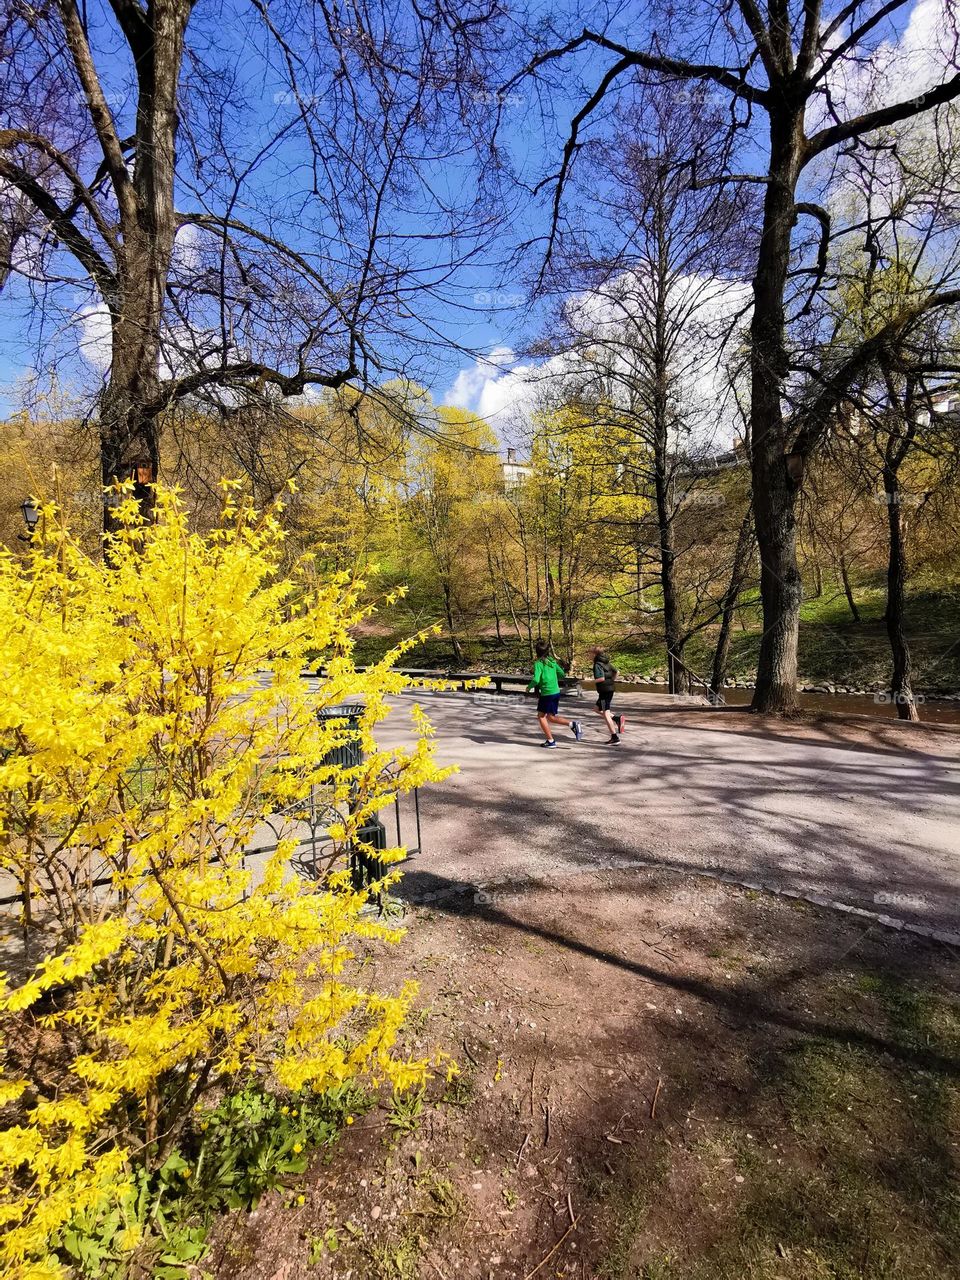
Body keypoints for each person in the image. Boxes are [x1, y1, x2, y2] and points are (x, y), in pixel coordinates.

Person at [526, 640, 583, 748]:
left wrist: (529, 687)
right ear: (548, 651)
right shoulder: (552, 662)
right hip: (556, 692)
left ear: (537, 652)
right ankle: (572, 724)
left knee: (541, 716)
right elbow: (561, 674)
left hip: (547, 693)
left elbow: (536, 679)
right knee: (551, 717)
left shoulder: (538, 663)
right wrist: (553, 677)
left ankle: (551, 741)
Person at [591, 646, 625, 744]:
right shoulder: (606, 662)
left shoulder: (597, 664)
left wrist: (590, 681)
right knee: (596, 709)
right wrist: (611, 680)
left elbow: (601, 678)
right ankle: (616, 719)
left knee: (606, 713)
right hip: (610, 689)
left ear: (594, 654)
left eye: (590, 653)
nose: (589, 655)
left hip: (604, 691)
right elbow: (617, 672)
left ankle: (615, 738)